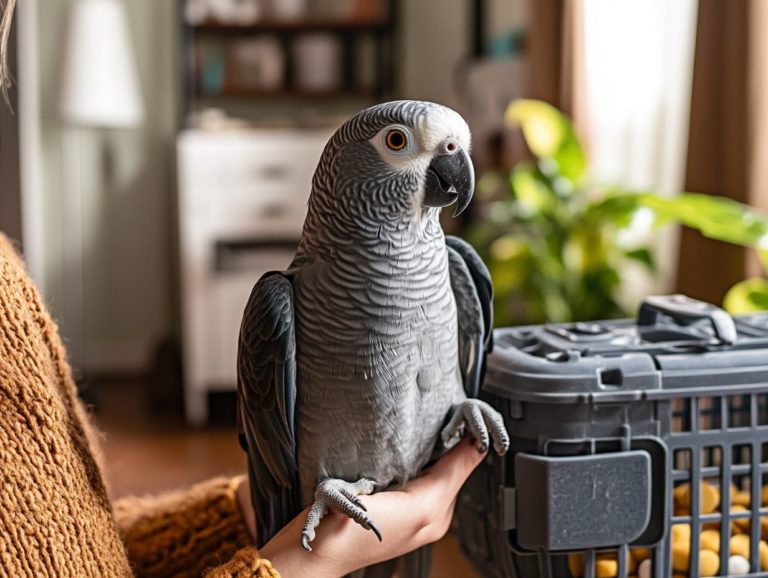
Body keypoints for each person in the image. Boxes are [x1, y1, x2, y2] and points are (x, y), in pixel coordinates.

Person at [0, 2, 487, 575]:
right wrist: (306, 563)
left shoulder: (456, 273)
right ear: (342, 174)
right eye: (400, 142)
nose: (450, 157)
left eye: (455, 144)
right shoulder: (286, 308)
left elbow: (76, 538)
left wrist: (241, 515)